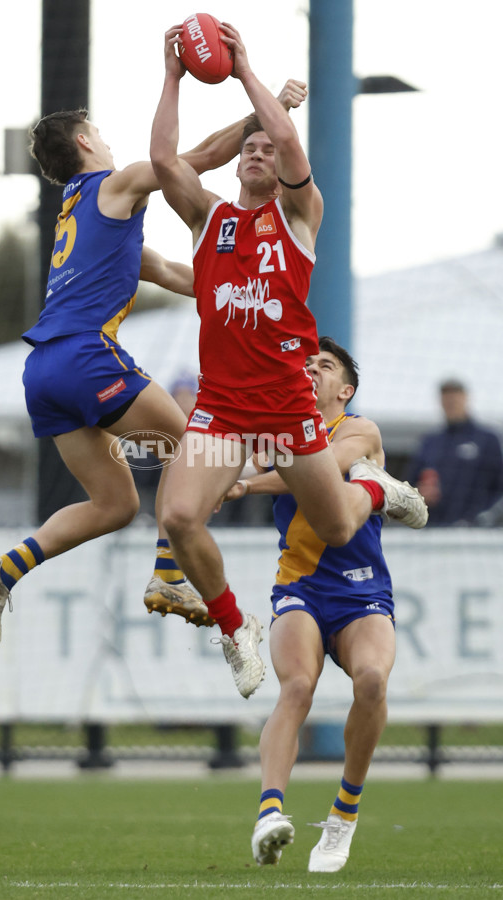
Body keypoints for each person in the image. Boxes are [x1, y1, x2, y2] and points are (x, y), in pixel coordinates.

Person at [149, 23, 427, 699]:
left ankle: (375, 488)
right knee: (178, 519)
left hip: (285, 410)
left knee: (335, 525)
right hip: (221, 410)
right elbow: (163, 163)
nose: (258, 151)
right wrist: (174, 75)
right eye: (248, 146)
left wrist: (248, 74)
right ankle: (232, 627)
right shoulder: (210, 221)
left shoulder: (300, 218)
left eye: (269, 148)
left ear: (283, 168)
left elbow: (290, 141)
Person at [0, 103, 267, 647]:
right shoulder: (115, 184)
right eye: (99, 134)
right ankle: (171, 577)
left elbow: (177, 274)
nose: (107, 142)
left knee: (117, 504)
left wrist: (254, 284)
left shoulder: (79, 214)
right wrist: (265, 115)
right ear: (83, 142)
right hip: (85, 357)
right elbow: (192, 161)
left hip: (43, 372)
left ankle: (2, 572)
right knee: (198, 451)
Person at [220, 337, 397, 871]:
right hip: (300, 587)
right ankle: (269, 814)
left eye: (325, 365)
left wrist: (247, 485)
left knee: (372, 682)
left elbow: (319, 466)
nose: (312, 370)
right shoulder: (278, 434)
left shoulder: (359, 431)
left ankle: (343, 816)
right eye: (307, 364)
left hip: (362, 589)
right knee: (296, 686)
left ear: (345, 389)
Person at [407, 378, 503, 526]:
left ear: (465, 398)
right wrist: (420, 495)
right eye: (446, 398)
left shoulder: (487, 440)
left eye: (454, 397)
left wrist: (481, 519)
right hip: (434, 531)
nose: (450, 403)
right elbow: (410, 485)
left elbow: (499, 489)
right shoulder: (430, 442)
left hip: (476, 534)